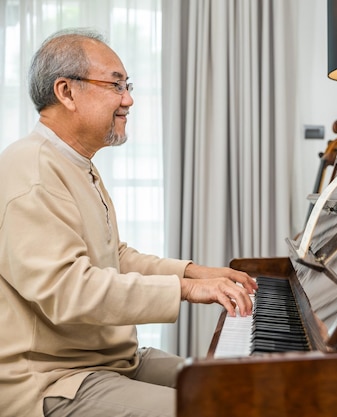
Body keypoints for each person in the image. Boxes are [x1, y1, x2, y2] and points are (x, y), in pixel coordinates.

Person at [0, 28, 257, 417]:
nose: (128, 99)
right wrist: (185, 290)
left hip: (110, 358)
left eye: (128, 85)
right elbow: (70, 291)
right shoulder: (30, 171)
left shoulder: (74, 163)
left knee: (249, 386)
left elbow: (112, 256)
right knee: (217, 408)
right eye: (116, 85)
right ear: (66, 92)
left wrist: (195, 272)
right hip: (52, 378)